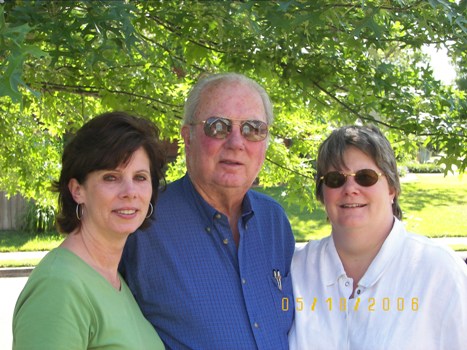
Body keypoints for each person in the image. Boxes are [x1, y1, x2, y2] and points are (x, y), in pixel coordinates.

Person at [120, 73, 295, 349]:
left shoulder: (275, 223)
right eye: (218, 127)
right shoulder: (142, 223)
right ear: (187, 137)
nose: (237, 142)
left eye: (253, 129)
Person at [288, 125, 467, 349]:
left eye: (365, 177)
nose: (350, 188)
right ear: (322, 193)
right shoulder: (295, 270)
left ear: (392, 188)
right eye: (335, 179)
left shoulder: (439, 273)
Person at [13, 112, 166, 349]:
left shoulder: (113, 280)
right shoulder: (59, 287)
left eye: (140, 177)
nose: (130, 191)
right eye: (111, 177)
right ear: (77, 190)